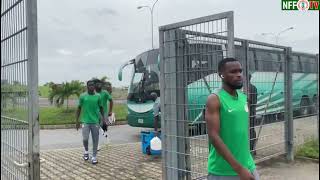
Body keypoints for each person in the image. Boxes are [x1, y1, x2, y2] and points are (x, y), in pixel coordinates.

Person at [205, 58, 259, 180]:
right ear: (221, 75)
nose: (239, 75)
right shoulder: (215, 99)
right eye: (233, 72)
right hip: (224, 171)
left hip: (248, 166)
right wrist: (239, 169)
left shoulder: (243, 98)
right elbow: (213, 136)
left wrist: (248, 164)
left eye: (240, 71)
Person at [76, 80, 105, 164]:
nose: (91, 86)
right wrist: (77, 121)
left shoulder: (98, 96)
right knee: (85, 139)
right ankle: (86, 151)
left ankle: (94, 156)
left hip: (95, 121)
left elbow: (101, 108)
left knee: (95, 140)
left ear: (94, 86)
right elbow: (79, 108)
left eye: (93, 85)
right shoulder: (83, 96)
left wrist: (103, 119)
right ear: (87, 86)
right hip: (85, 121)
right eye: (90, 85)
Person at [248, 74, 257, 156]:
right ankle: (253, 149)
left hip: (247, 112)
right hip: (253, 111)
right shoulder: (254, 87)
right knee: (252, 129)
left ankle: (249, 149)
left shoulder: (244, 88)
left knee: (247, 130)